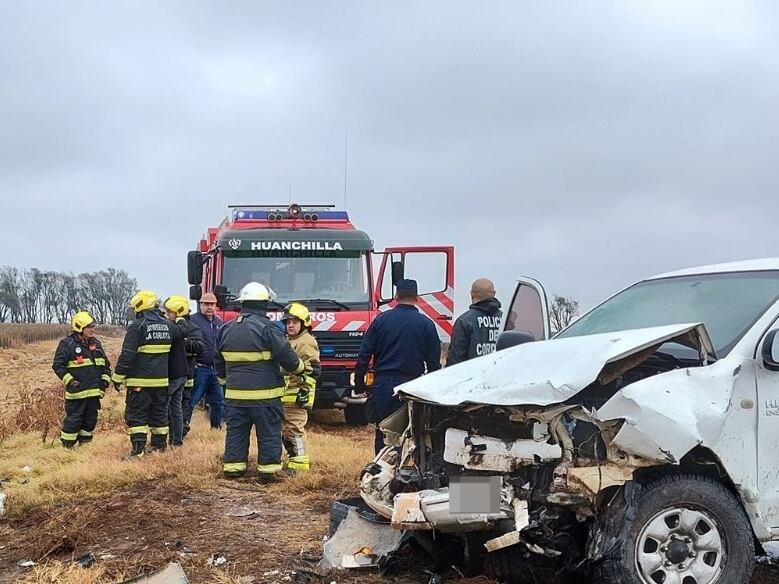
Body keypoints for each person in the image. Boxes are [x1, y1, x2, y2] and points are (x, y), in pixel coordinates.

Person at [216, 282, 304, 483]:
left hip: (235, 398)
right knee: (268, 434)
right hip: (266, 397)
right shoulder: (268, 328)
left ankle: (233, 468)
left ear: (243, 303)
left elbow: (218, 362)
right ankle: (268, 472)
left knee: (236, 433)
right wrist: (301, 369)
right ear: (264, 304)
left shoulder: (226, 329)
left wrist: (226, 384)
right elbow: (287, 356)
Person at [355, 279, 441, 454]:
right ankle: (407, 471)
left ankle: (381, 470)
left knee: (384, 431)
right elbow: (434, 363)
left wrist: (359, 385)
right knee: (412, 433)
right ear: (417, 297)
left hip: (384, 385)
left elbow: (364, 355)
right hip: (413, 386)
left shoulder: (381, 321)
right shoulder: (426, 324)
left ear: (396, 296)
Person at [112, 290, 185, 457]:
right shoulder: (168, 326)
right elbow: (182, 333)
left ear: (140, 306)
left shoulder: (138, 326)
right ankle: (159, 449)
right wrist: (181, 316)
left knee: (137, 416)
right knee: (159, 416)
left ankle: (138, 452)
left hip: (139, 383)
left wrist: (117, 377)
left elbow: (128, 355)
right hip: (161, 383)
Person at [52, 311, 112, 448]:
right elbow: (58, 365)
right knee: (74, 421)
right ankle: (67, 447)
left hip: (94, 393)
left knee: (90, 421)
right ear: (79, 328)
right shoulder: (67, 344)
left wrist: (104, 382)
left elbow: (106, 365)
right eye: (89, 327)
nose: (92, 329)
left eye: (92, 326)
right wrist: (70, 381)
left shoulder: (96, 344)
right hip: (77, 394)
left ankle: (85, 447)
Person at [280, 302, 320, 473]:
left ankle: (300, 465)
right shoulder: (291, 340)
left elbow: (313, 370)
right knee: (288, 431)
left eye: (295, 322)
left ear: (303, 323)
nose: (290, 325)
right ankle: (293, 460)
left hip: (297, 395)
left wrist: (304, 392)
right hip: (287, 394)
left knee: (295, 431)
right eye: (288, 322)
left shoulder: (305, 342)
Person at [163, 295, 204, 447]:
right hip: (172, 372)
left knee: (181, 406)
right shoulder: (168, 325)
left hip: (186, 373)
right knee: (175, 407)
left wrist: (182, 344)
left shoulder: (192, 328)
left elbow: (200, 347)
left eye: (170, 312)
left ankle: (176, 437)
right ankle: (174, 439)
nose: (168, 315)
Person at [446, 278, 503, 367]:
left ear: (471, 294)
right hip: (498, 375)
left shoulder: (464, 321)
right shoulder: (505, 320)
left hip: (472, 377)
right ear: (494, 293)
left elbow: (455, 359)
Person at [189, 292, 225, 429]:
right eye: (206, 304)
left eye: (212, 304)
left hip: (215, 370)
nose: (209, 307)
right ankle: (184, 427)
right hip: (200, 368)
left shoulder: (220, 323)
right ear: (201, 305)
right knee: (193, 399)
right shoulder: (192, 321)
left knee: (219, 401)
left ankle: (216, 427)